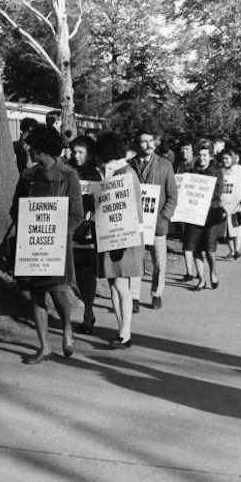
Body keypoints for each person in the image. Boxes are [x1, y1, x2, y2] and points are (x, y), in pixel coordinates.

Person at [11, 124, 83, 364]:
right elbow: (15, 208)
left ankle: (67, 329)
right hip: (32, 245)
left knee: (59, 291)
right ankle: (44, 347)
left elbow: (77, 214)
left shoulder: (68, 175)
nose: (29, 150)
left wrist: (58, 233)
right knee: (36, 294)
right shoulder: (27, 177)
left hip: (57, 246)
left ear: (44, 149)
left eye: (34, 147)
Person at [93, 131, 143, 348]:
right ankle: (122, 329)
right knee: (114, 284)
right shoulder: (121, 171)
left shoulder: (125, 174)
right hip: (113, 235)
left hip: (122, 237)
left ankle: (125, 332)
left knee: (121, 284)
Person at [129, 131, 178, 311]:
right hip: (136, 223)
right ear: (137, 144)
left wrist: (164, 216)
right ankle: (134, 297)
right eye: (144, 142)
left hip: (158, 223)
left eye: (151, 141)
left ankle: (157, 294)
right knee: (135, 260)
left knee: (159, 261)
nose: (149, 144)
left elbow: (173, 195)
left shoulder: (165, 165)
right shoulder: (130, 165)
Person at [70, 136, 100, 334]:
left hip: (89, 235)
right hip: (69, 232)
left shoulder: (96, 176)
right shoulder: (68, 173)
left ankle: (88, 314)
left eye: (80, 152)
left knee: (87, 278)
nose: (76, 155)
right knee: (73, 278)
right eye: (74, 152)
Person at [184, 143, 225, 290]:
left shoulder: (217, 172)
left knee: (209, 248)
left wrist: (205, 201)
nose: (202, 158)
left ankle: (213, 272)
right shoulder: (190, 172)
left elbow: (218, 193)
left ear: (211, 157)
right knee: (195, 247)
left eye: (205, 155)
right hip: (193, 214)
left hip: (210, 214)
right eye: (200, 155)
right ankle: (201, 279)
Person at [219, 148, 241, 259]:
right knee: (227, 230)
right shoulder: (220, 170)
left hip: (238, 204)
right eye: (223, 158)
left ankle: (237, 250)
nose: (225, 161)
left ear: (232, 158)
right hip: (223, 204)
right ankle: (232, 251)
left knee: (238, 228)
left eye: (227, 158)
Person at [174, 138, 197, 281]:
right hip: (181, 208)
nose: (184, 152)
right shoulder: (177, 165)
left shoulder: (196, 164)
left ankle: (199, 272)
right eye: (182, 149)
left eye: (187, 149)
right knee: (186, 240)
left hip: (194, 207)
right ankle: (190, 271)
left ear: (192, 150)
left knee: (195, 241)